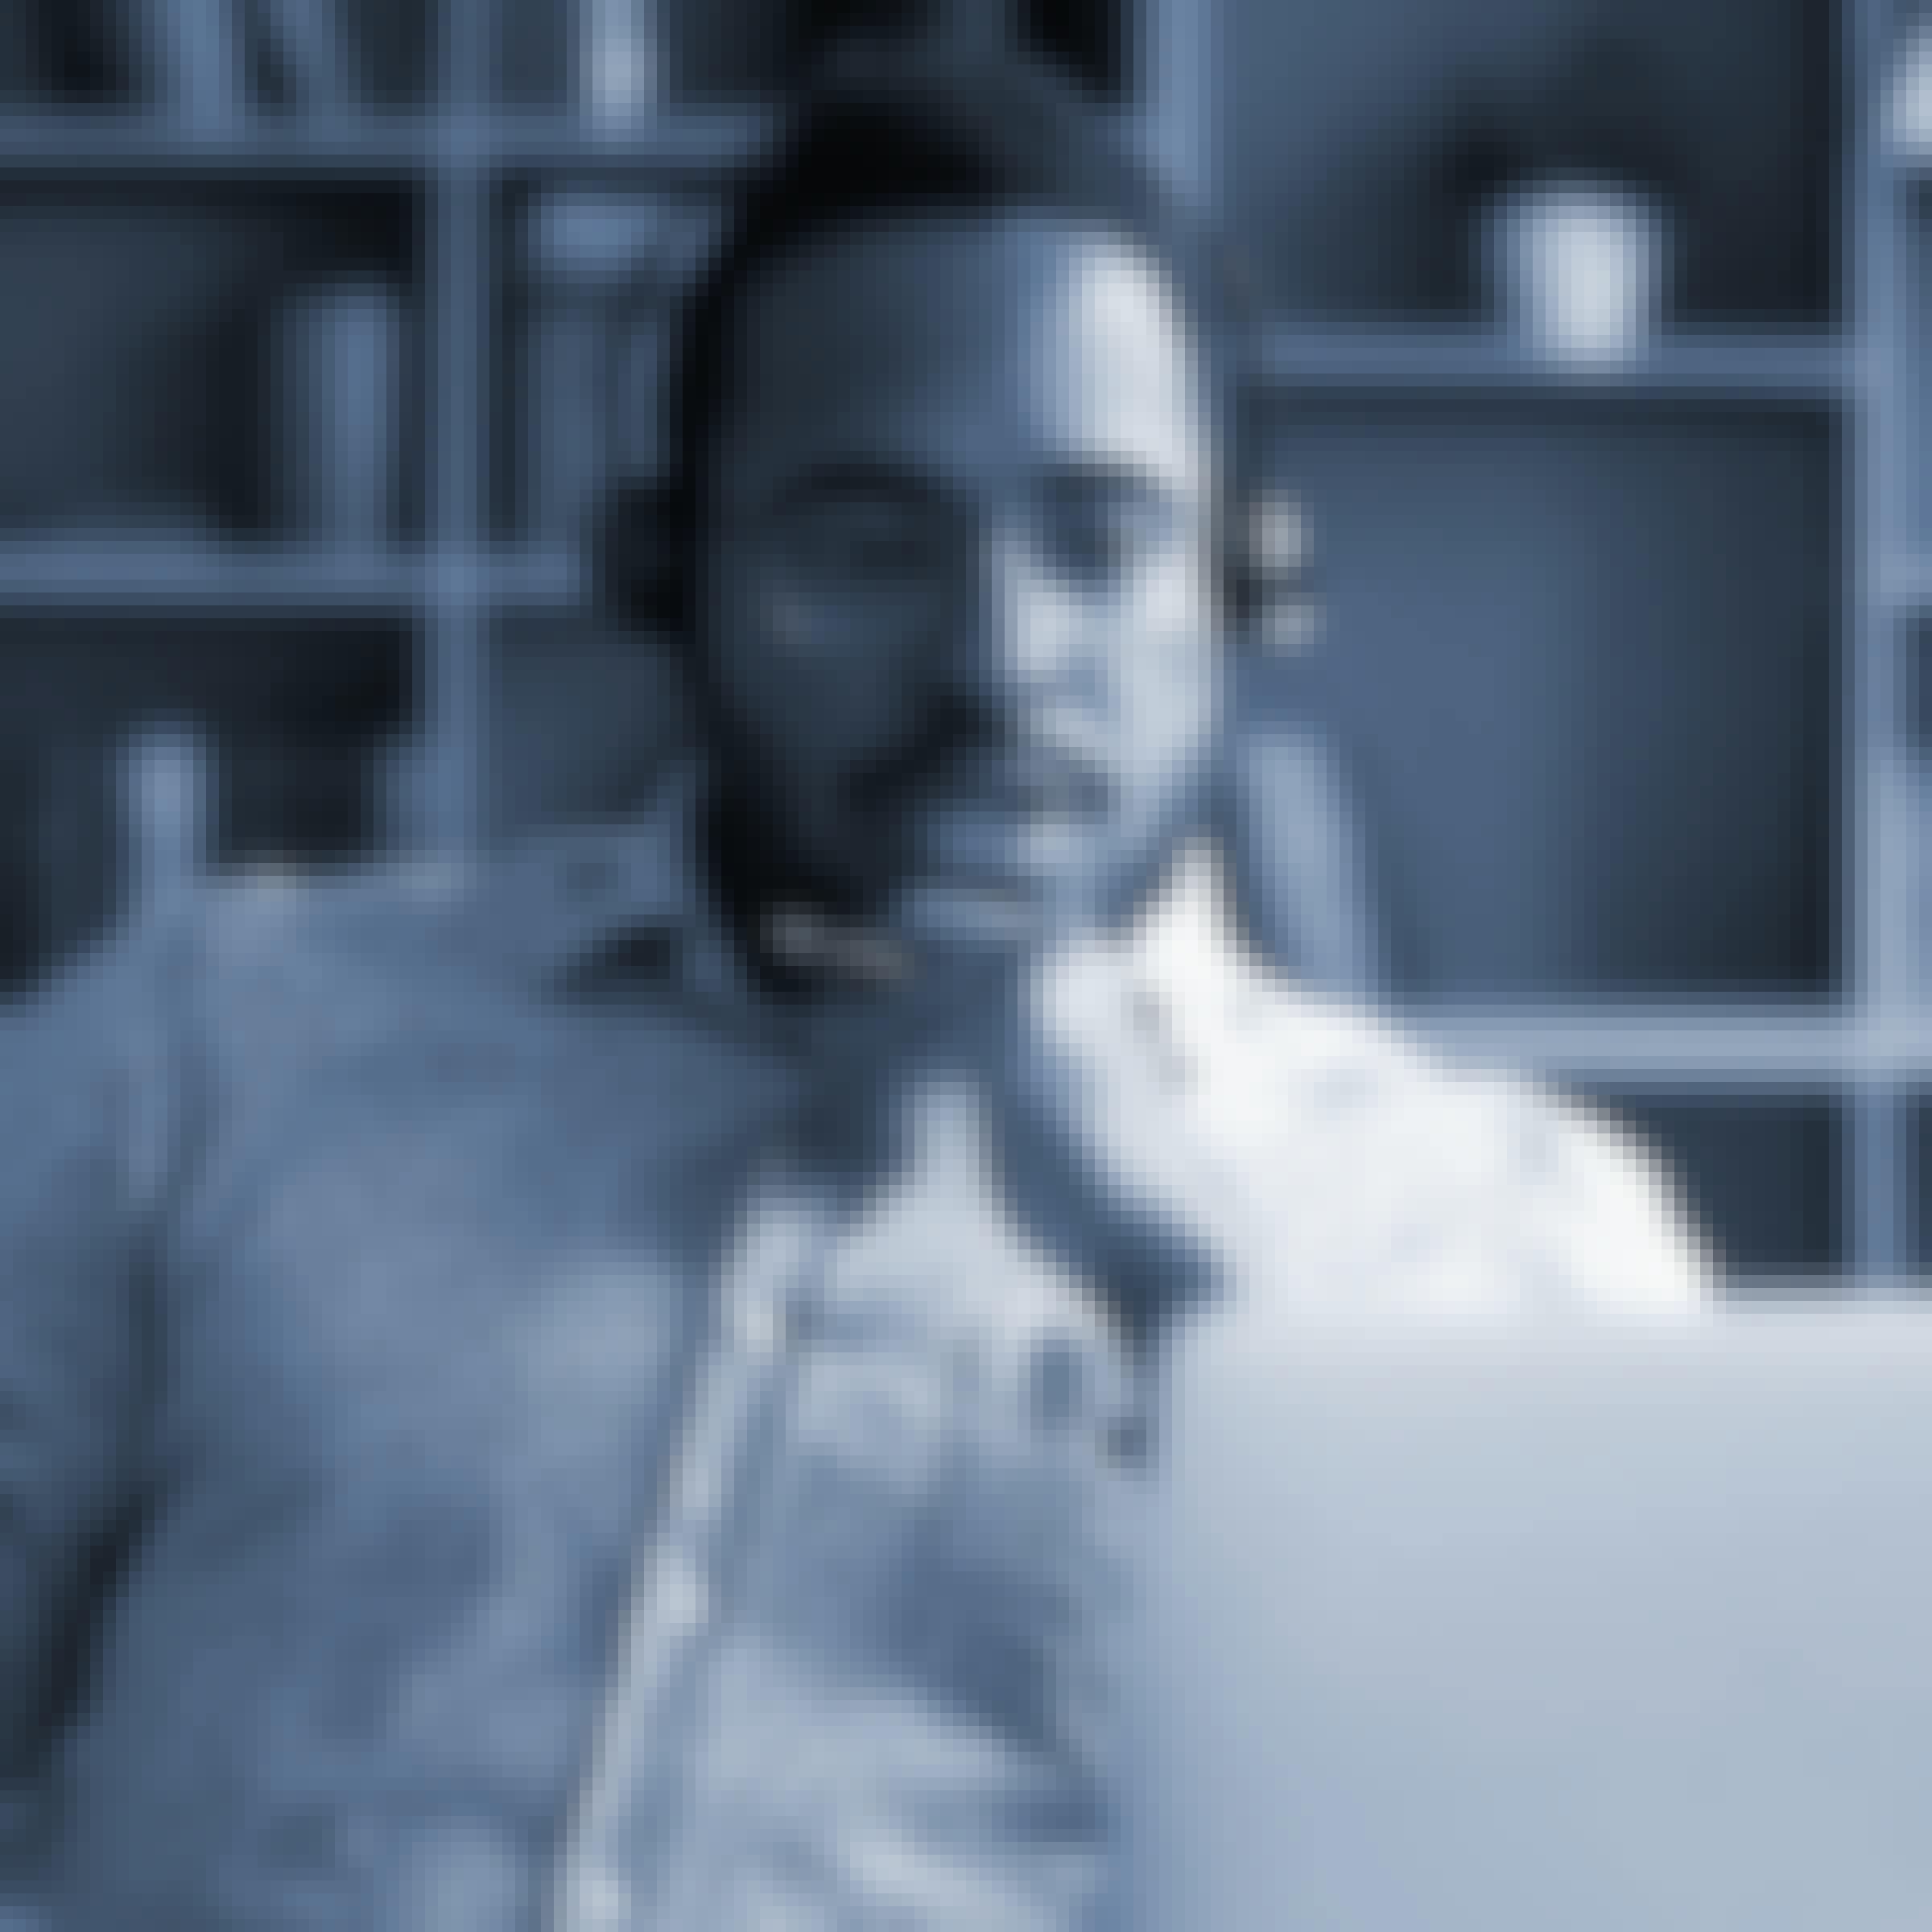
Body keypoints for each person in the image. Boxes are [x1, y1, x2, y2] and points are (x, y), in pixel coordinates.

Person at [0, 55, 1707, 1932]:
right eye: (867, 543)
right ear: (657, 568)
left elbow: (1573, 1876)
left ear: (1248, 581)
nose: (997, 663)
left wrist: (1182, 1292)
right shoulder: (208, 1044)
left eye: (1101, 543)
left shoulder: (1524, 1238)